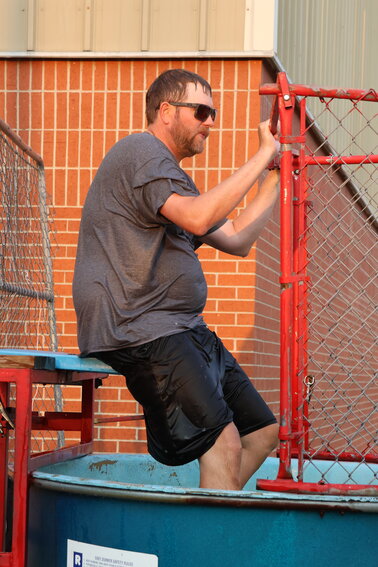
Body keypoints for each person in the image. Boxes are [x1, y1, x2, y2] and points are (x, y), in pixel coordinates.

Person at [73, 69, 280, 491]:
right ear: (165, 111)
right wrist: (261, 154)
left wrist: (278, 174)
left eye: (214, 113)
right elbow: (200, 216)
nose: (210, 122)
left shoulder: (174, 179)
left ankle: (212, 521)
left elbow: (237, 240)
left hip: (182, 328)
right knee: (222, 443)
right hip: (140, 327)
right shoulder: (140, 152)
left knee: (260, 434)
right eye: (201, 111)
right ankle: (212, 545)